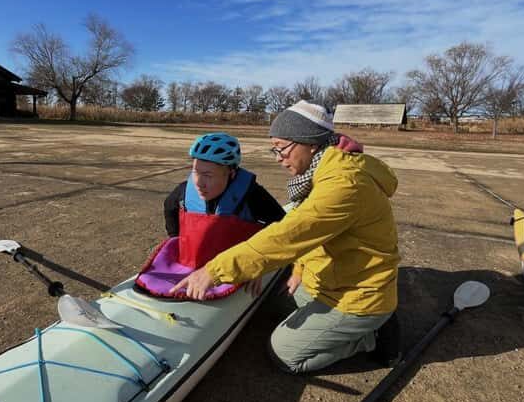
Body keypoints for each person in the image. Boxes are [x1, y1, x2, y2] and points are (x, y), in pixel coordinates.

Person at [171, 101, 401, 373]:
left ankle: (369, 338)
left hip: (359, 296)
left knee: (284, 354)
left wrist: (213, 271)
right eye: (275, 149)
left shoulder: (344, 185)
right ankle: (353, 326)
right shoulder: (323, 170)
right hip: (334, 280)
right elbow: (313, 232)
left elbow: (287, 236)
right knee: (274, 303)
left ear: (310, 143)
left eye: (281, 147)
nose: (278, 157)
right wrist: (299, 268)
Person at [135, 132, 284, 299]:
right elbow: (169, 207)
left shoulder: (253, 195)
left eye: (208, 175)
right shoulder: (184, 191)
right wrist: (176, 238)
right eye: (195, 172)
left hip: (234, 265)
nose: (198, 183)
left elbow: (282, 226)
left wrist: (260, 263)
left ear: (231, 173)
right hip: (192, 261)